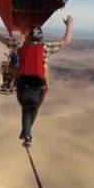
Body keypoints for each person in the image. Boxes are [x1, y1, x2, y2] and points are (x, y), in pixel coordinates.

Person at [16, 16, 73, 146]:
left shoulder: (21, 47)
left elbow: (3, 40)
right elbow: (67, 40)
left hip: (23, 88)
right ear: (41, 37)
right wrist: (69, 24)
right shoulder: (46, 48)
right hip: (38, 89)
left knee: (25, 109)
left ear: (30, 36)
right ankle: (27, 133)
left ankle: (27, 133)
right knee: (34, 108)